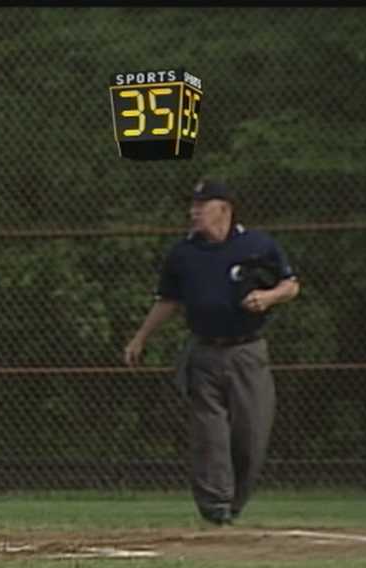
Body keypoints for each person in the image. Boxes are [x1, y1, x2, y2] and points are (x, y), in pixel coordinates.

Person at [123, 179, 300, 526]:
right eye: (193, 205)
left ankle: (234, 503)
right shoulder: (183, 253)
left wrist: (268, 297)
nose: (194, 211)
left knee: (251, 436)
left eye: (201, 205)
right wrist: (140, 337)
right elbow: (168, 300)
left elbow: (291, 285)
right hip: (204, 351)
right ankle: (215, 506)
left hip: (247, 351)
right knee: (209, 434)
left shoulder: (257, 245)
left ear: (224, 209)